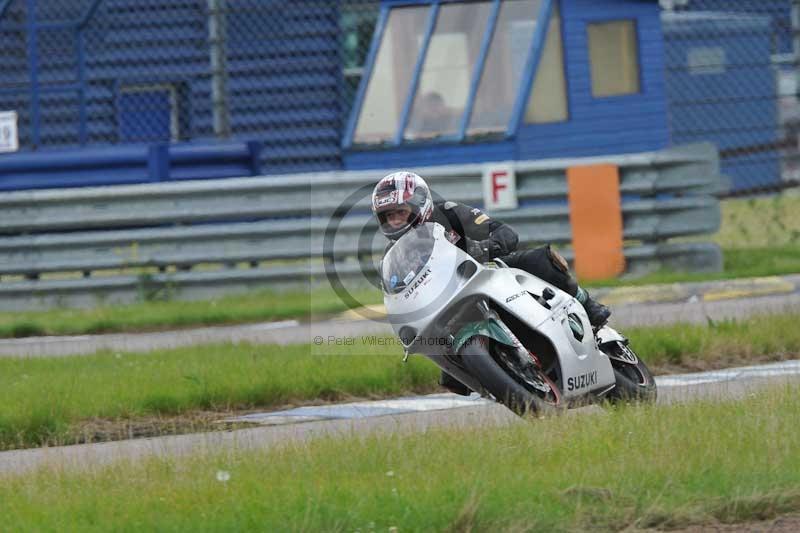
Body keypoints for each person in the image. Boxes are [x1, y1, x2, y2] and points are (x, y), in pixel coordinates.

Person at [371, 171, 611, 396]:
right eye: (389, 216)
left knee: (539, 260)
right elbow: (398, 293)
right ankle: (496, 374)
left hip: (486, 270)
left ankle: (586, 305)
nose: (395, 221)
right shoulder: (394, 256)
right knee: (446, 364)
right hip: (448, 302)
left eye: (400, 212)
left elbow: (503, 232)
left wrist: (487, 246)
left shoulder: (450, 213)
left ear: (419, 204)